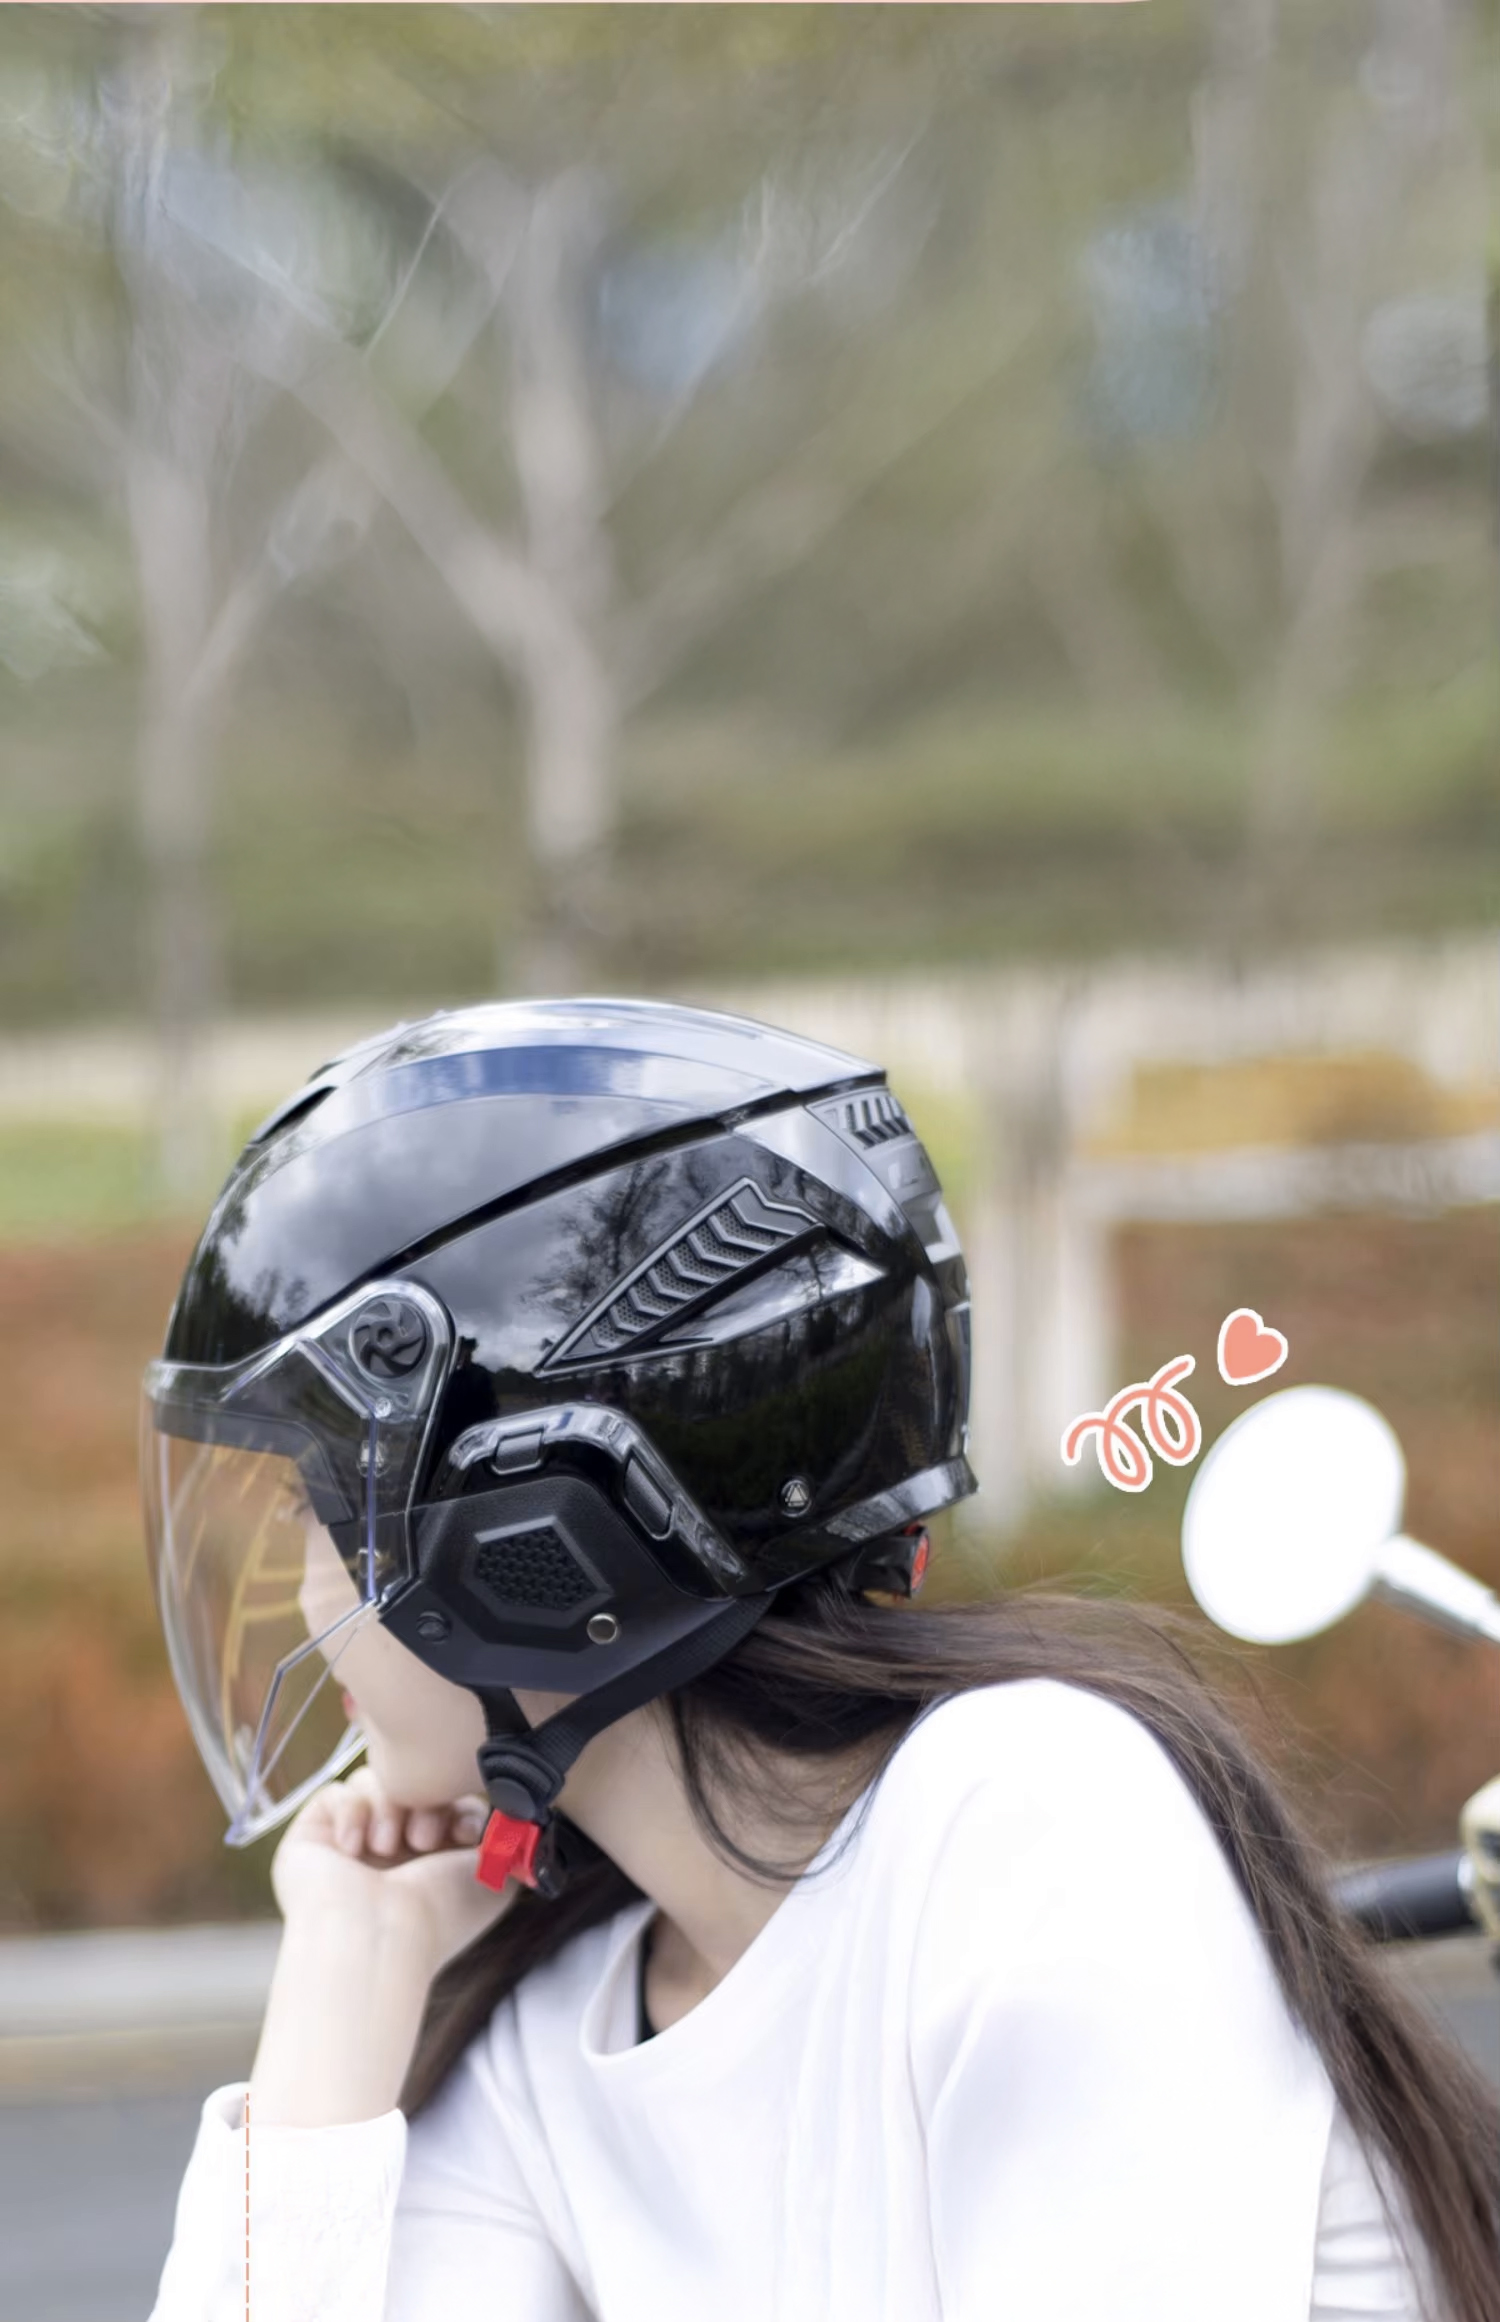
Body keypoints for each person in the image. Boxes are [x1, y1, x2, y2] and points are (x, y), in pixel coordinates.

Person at [143, 1000, 1498, 2322]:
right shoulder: (545, 2032)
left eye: (311, 1509)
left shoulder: (1028, 1823)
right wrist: (343, 1983)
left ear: (523, 1534)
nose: (302, 1592)